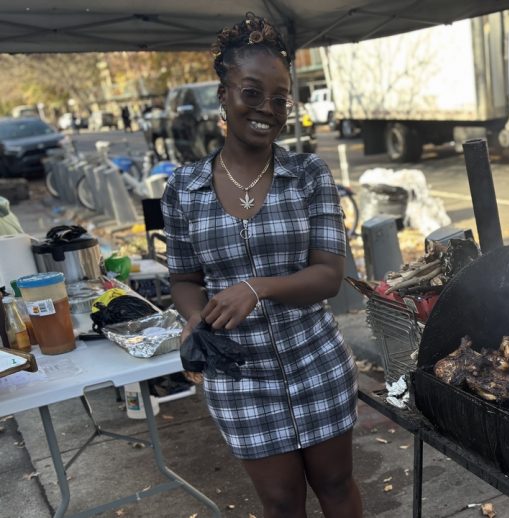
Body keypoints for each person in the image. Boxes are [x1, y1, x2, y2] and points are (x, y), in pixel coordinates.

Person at [160, 12, 362, 518]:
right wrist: (193, 319)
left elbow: (329, 276)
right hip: (239, 373)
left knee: (336, 485)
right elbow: (185, 278)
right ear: (223, 94)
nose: (267, 109)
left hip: (315, 359)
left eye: (279, 99)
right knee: (279, 499)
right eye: (252, 93)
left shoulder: (308, 173)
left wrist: (257, 287)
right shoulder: (184, 188)